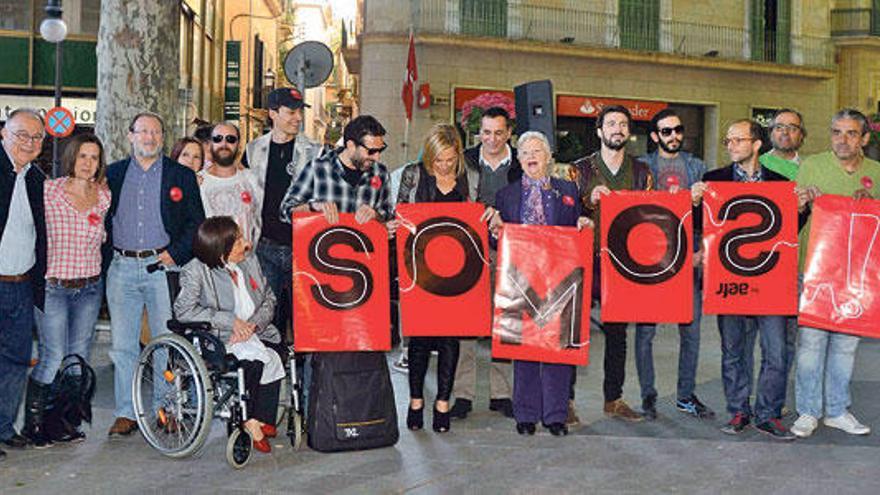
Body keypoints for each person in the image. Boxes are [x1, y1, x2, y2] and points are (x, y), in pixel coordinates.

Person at [103, 111, 205, 437]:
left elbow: (196, 223)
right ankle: (125, 412)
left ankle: (166, 409)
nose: (149, 137)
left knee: (166, 342)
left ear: (163, 138)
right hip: (121, 268)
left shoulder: (181, 176)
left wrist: (174, 253)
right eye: (143, 132)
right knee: (123, 346)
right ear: (130, 135)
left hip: (162, 268)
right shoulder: (113, 174)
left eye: (156, 132)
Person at [692, 119, 794, 440]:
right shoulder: (713, 180)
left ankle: (768, 413)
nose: (731, 145)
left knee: (776, 352)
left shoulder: (781, 183)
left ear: (757, 144)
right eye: (728, 140)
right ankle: (738, 411)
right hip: (729, 280)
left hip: (770, 280)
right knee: (734, 350)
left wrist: (802, 207)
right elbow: (701, 226)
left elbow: (789, 232)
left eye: (738, 140)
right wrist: (694, 201)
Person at [489, 131, 591, 436]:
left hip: (560, 278)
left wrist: (584, 224)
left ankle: (556, 415)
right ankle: (525, 414)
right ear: (518, 159)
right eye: (524, 152)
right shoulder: (506, 196)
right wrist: (494, 231)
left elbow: (577, 229)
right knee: (525, 348)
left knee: (558, 349)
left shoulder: (568, 190)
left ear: (548, 158)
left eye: (537, 151)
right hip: (520, 278)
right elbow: (495, 240)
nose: (531, 156)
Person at [790, 108, 880, 438]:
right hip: (812, 270)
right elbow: (794, 212)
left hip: (857, 278)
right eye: (836, 133)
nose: (842, 140)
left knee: (845, 347)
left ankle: (837, 410)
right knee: (811, 345)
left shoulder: (877, 173)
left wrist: (871, 202)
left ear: (865, 139)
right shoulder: (811, 166)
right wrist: (802, 201)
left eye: (851, 133)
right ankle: (808, 411)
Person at [22, 134, 110, 448]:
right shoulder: (49, 191)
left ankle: (64, 423)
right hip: (53, 287)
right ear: (72, 157)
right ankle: (33, 425)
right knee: (52, 355)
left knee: (77, 358)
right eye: (83, 156)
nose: (89, 163)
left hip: (89, 288)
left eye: (95, 158)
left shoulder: (103, 195)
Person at [568, 105, 651, 423]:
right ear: (599, 130)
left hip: (623, 263)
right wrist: (587, 203)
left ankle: (613, 398)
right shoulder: (578, 170)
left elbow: (650, 217)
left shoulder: (642, 172)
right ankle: (567, 400)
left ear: (629, 132)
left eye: (623, 124)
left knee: (618, 334)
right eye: (611, 123)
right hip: (584, 257)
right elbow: (566, 212)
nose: (617, 129)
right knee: (573, 329)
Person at [175, 216, 284, 453]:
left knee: (277, 353)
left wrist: (253, 325)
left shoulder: (250, 262)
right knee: (252, 364)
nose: (246, 244)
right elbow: (183, 311)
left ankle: (258, 418)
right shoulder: (195, 270)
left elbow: (269, 299)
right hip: (219, 338)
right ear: (221, 250)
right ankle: (250, 422)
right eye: (238, 242)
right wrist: (231, 322)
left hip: (255, 331)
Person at [394, 124, 478, 433]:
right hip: (420, 268)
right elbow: (399, 212)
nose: (443, 166)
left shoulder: (469, 178)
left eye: (449, 160)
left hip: (457, 271)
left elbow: (476, 217)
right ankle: (416, 400)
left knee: (449, 339)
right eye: (438, 160)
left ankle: (443, 402)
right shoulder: (414, 175)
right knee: (419, 337)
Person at [634, 109, 713, 421]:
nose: (674, 136)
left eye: (678, 130)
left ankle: (685, 395)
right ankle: (648, 396)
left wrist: (702, 250)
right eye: (666, 132)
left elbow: (708, 216)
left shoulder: (697, 166)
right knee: (645, 332)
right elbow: (637, 211)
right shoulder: (641, 166)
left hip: (690, 250)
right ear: (655, 136)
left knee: (691, 330)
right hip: (652, 254)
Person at [450, 106, 522, 421]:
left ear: (509, 133)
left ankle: (501, 394)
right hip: (468, 252)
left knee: (506, 323)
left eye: (498, 133)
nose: (491, 139)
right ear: (478, 132)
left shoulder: (522, 163)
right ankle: (462, 395)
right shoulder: (462, 161)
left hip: (509, 253)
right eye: (486, 132)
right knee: (465, 324)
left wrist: (505, 218)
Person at [243, 87, 321, 338]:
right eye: (291, 112)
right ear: (273, 114)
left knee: (307, 319)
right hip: (264, 248)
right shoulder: (252, 150)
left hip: (304, 247)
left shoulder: (316, 152)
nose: (297, 117)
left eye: (300, 112)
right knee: (267, 319)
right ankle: (272, 374)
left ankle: (306, 376)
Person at [0, 108, 47, 456]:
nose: (28, 143)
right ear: (4, 133)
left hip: (21, 284)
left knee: (17, 360)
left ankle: (4, 427)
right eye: (21, 135)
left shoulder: (37, 180)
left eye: (36, 137)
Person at [199, 122, 259, 242]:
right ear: (210, 144)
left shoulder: (251, 179)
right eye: (218, 139)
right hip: (209, 259)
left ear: (239, 145)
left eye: (230, 139)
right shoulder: (198, 181)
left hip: (247, 258)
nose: (224, 144)